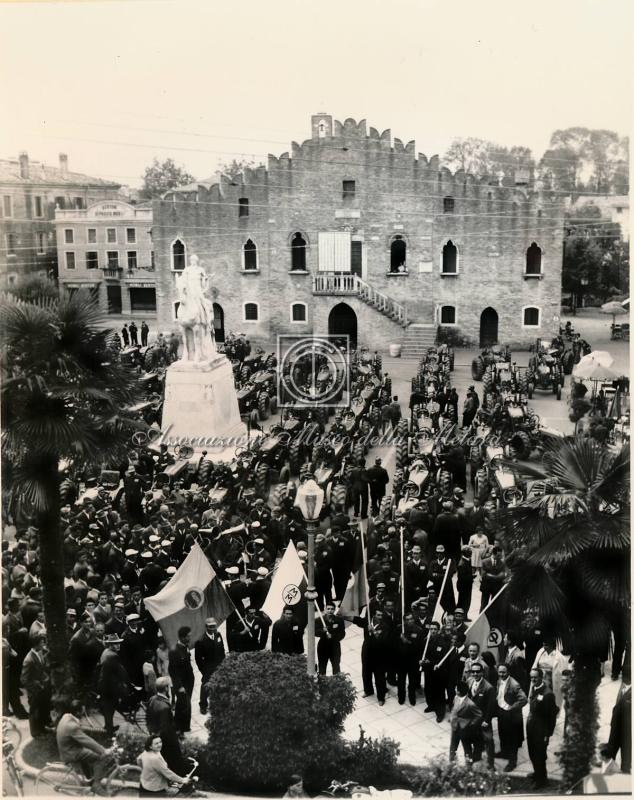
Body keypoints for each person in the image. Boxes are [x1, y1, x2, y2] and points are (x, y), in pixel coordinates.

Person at [56, 698, 112, 794]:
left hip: (68, 748)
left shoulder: (66, 716)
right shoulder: (71, 726)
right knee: (99, 757)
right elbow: (87, 741)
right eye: (82, 711)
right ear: (77, 712)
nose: (84, 712)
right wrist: (103, 750)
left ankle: (89, 780)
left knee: (88, 754)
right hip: (71, 753)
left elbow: (81, 736)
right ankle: (96, 785)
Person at [526, 667, 558, 789]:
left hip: (541, 730)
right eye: (531, 677)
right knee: (532, 753)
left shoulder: (548, 694)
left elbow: (552, 716)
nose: (533, 679)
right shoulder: (534, 688)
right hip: (532, 728)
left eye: (535, 677)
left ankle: (541, 780)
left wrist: (547, 734)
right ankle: (537, 773)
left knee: (539, 755)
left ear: (541, 677)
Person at [147, 677, 185, 774]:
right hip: (166, 739)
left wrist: (152, 733)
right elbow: (166, 728)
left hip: (156, 735)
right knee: (174, 759)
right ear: (166, 688)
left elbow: (148, 718)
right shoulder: (164, 707)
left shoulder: (152, 699)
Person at [494, 662, 527, 772]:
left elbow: (523, 699)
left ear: (508, 672)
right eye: (500, 672)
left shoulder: (514, 684)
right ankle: (504, 752)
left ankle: (512, 762)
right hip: (501, 712)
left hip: (511, 715)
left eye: (504, 672)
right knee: (502, 733)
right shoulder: (499, 680)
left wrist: (511, 708)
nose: (501, 674)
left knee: (512, 739)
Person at [20, 632, 52, 737]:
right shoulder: (28, 660)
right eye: (41, 642)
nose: (43, 643)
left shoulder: (41, 652)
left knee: (42, 708)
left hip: (42, 689)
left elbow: (41, 669)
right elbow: (24, 679)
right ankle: (35, 732)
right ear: (35, 644)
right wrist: (35, 685)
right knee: (34, 711)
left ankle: (42, 728)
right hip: (34, 691)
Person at [601, 669, 631, 774]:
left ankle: (624, 777)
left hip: (626, 733)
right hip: (616, 728)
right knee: (611, 753)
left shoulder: (630, 695)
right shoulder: (624, 690)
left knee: (626, 761)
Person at [467, 662, 495, 770]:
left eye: (477, 671)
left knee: (489, 740)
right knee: (475, 739)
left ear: (482, 672)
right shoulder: (469, 681)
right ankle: (476, 759)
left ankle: (491, 764)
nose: (475, 674)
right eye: (473, 671)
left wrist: (487, 721)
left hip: (483, 720)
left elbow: (491, 707)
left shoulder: (489, 688)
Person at [194, 617, 225, 714]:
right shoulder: (200, 641)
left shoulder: (218, 635)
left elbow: (222, 650)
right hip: (208, 667)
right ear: (206, 627)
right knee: (205, 686)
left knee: (219, 685)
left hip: (219, 665)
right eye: (210, 627)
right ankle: (203, 705)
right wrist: (204, 670)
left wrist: (224, 663)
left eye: (214, 626)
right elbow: (198, 659)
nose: (213, 629)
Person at [449, 680, 483, 764]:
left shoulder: (470, 704)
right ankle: (451, 761)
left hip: (464, 729)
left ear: (459, 692)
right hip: (455, 726)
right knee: (453, 745)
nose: (455, 689)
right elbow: (454, 708)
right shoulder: (456, 697)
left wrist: (471, 724)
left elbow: (479, 715)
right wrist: (452, 717)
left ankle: (469, 764)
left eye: (456, 689)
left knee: (466, 747)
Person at [169, 626, 194, 733]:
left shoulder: (184, 646)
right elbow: (173, 671)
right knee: (185, 706)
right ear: (182, 637)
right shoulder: (174, 651)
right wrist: (179, 686)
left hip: (188, 682)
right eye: (188, 636)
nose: (190, 638)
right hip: (182, 685)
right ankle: (183, 728)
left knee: (182, 705)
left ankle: (178, 726)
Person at [315, 602, 346, 675]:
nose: (330, 610)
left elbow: (342, 633)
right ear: (325, 609)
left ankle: (337, 684)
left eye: (332, 609)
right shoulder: (319, 620)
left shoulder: (339, 620)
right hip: (323, 647)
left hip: (335, 647)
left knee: (336, 666)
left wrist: (334, 637)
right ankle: (322, 684)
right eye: (328, 609)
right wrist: (323, 631)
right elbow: (315, 632)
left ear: (334, 610)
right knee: (322, 667)